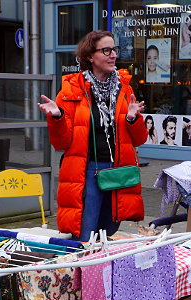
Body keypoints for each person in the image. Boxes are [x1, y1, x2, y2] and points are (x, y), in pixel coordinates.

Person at [37, 30, 147, 241]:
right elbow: (61, 143)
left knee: (109, 229)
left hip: (117, 170)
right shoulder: (71, 90)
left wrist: (133, 119)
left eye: (114, 49)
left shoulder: (123, 89)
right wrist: (58, 117)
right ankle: (83, 271)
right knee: (84, 232)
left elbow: (139, 140)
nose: (113, 55)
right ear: (89, 56)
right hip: (85, 171)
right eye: (106, 50)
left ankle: (101, 271)